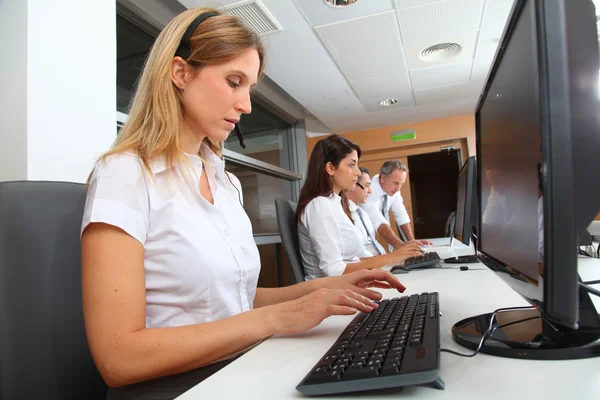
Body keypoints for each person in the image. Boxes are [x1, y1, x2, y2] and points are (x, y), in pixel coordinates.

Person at [80, 8, 407, 399]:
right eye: (234, 82)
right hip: (181, 386)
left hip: (241, 364)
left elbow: (239, 298)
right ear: (180, 73)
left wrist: (333, 286)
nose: (246, 105)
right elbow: (118, 359)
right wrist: (274, 319)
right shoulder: (125, 175)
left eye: (249, 88)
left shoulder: (226, 181)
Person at [296, 135, 423, 280]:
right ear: (330, 168)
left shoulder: (337, 203)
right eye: (351, 165)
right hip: (332, 293)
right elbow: (335, 270)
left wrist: (396, 259)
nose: (357, 172)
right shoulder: (319, 205)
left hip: (350, 286)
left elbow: (353, 261)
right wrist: (391, 258)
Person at [362, 160, 433, 250]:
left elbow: (400, 213)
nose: (398, 189)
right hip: (364, 240)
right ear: (383, 178)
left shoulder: (393, 189)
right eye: (396, 183)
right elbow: (379, 224)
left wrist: (411, 240)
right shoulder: (369, 191)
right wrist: (402, 246)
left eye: (401, 184)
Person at [346, 167, 387, 256]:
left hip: (379, 262)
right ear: (353, 184)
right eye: (367, 185)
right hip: (367, 265)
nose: (370, 191)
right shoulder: (344, 215)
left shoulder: (363, 213)